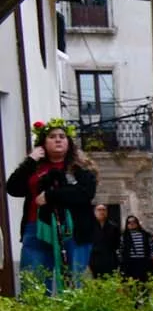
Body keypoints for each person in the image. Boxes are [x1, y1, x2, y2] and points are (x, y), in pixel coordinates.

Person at [5, 118, 97, 293]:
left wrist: (50, 195)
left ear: (68, 142)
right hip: (36, 228)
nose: (58, 139)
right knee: (34, 284)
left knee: (73, 284)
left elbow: (85, 193)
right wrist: (29, 161)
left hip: (73, 231)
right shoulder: (35, 168)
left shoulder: (80, 168)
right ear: (43, 143)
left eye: (62, 136)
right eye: (52, 136)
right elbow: (13, 188)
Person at [116, 214, 153, 281]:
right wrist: (122, 260)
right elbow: (119, 249)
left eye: (134, 222)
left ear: (137, 223)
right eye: (129, 222)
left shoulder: (146, 235)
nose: (132, 224)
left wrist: (150, 258)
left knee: (144, 283)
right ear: (127, 224)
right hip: (129, 264)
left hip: (144, 263)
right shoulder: (123, 237)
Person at [90, 204, 122, 277]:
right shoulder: (90, 226)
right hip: (94, 259)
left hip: (110, 259)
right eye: (99, 210)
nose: (102, 212)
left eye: (104, 210)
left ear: (107, 212)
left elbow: (118, 243)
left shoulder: (113, 227)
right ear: (94, 212)